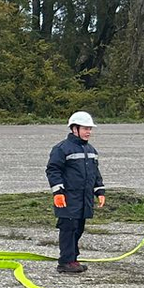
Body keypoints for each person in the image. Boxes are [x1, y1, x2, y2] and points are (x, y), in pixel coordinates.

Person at [45, 110, 106, 274]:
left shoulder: (91, 150)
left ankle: (73, 259)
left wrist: (100, 191)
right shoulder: (62, 149)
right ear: (74, 129)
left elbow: (95, 173)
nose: (89, 132)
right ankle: (65, 262)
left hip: (84, 199)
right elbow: (53, 170)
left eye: (90, 129)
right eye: (85, 128)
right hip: (68, 198)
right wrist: (58, 192)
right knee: (68, 229)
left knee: (78, 228)